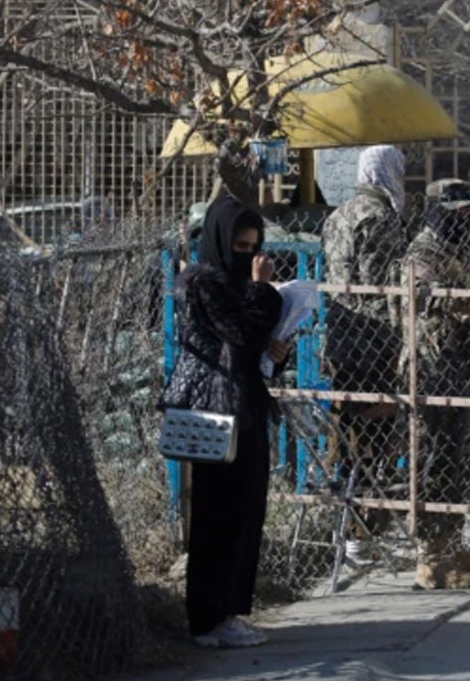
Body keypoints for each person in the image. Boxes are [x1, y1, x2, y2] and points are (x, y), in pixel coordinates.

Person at [159, 192, 290, 648]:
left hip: (245, 407)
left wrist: (277, 352)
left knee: (245, 514)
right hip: (215, 413)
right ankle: (207, 617)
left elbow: (250, 345)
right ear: (220, 241)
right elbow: (240, 331)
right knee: (216, 515)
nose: (249, 256)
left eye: (255, 247)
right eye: (241, 247)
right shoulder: (202, 284)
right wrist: (262, 290)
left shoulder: (233, 287)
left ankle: (229, 611)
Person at [400, 178, 470, 589]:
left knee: (460, 456)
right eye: (457, 212)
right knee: (434, 458)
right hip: (431, 369)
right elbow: (422, 298)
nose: (464, 219)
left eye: (468, 212)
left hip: (462, 365)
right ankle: (430, 559)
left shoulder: (457, 249)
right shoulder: (423, 252)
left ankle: (452, 543)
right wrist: (462, 302)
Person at [321, 145, 408, 490]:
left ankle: (345, 479)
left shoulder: (338, 214)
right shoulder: (380, 217)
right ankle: (370, 490)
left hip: (341, 329)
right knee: (377, 413)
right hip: (374, 333)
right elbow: (380, 280)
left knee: (346, 408)